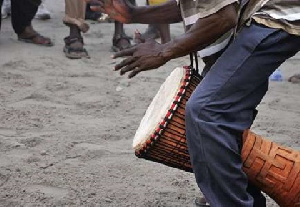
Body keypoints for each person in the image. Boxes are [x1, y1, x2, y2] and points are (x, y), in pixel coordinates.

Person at [90, 0, 300, 206]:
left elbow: (223, 16)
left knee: (206, 110)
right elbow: (195, 5)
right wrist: (134, 14)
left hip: (276, 13)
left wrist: (164, 51)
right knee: (221, 109)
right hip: (266, 14)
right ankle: (238, 193)